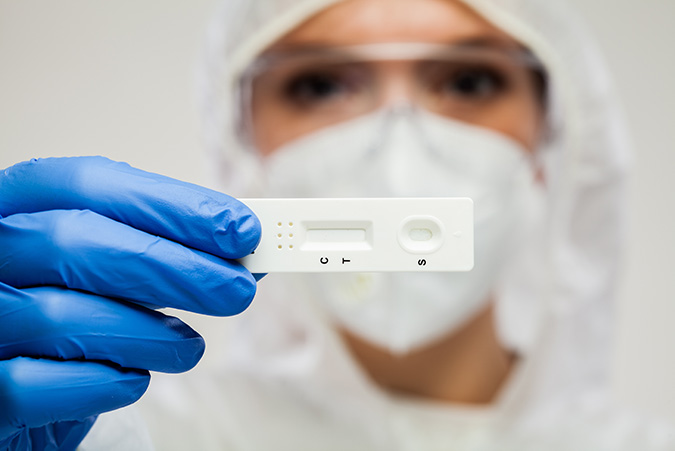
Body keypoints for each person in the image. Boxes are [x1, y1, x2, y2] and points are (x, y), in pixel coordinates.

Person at [0, 0, 673, 449]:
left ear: (552, 139)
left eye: (468, 80)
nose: (397, 144)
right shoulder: (122, 433)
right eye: (320, 85)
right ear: (243, 143)